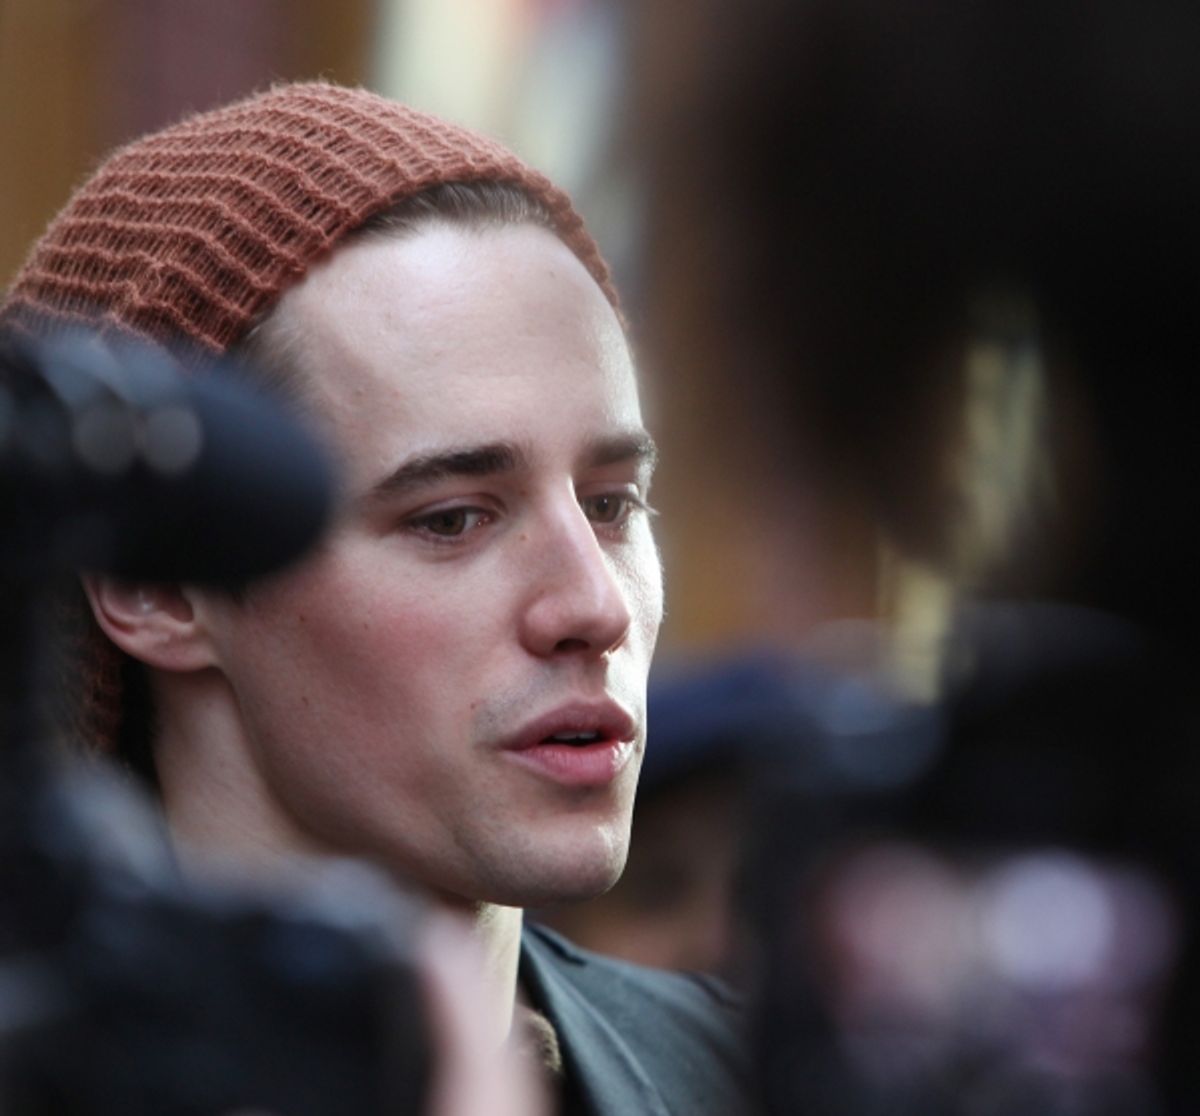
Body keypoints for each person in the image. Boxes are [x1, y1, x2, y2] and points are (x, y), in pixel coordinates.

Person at [1, 82, 748, 1115]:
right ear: (158, 586)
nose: (594, 605)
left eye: (614, 504)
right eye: (452, 518)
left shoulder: (744, 1078)